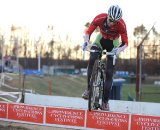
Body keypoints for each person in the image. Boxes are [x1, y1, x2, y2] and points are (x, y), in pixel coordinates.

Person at [81, 5, 128, 110]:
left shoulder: (121, 25)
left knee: (109, 72)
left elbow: (125, 43)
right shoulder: (100, 18)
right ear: (107, 16)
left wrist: (118, 50)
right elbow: (88, 32)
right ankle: (89, 90)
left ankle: (105, 102)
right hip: (100, 39)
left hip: (114, 44)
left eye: (115, 22)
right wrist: (85, 42)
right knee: (92, 57)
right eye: (111, 20)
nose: (112, 23)